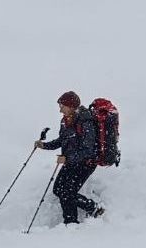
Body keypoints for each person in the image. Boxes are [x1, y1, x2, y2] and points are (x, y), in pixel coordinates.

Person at [35, 91, 106, 224]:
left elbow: (88, 150)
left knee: (67, 192)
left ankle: (73, 220)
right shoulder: (65, 121)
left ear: (71, 106)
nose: (60, 110)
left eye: (62, 106)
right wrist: (44, 145)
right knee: (58, 190)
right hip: (71, 162)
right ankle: (89, 210)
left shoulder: (85, 121)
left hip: (86, 164)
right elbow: (61, 140)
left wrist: (67, 158)